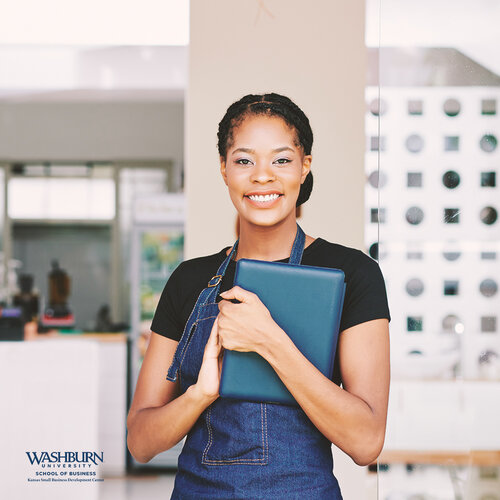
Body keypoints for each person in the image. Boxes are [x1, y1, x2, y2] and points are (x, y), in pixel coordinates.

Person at [127, 93, 391, 499]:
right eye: (244, 160)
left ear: (304, 168)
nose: (262, 176)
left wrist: (269, 341)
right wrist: (200, 394)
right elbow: (140, 442)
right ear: (224, 170)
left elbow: (366, 441)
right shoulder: (189, 279)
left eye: (282, 160)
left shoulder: (352, 274)